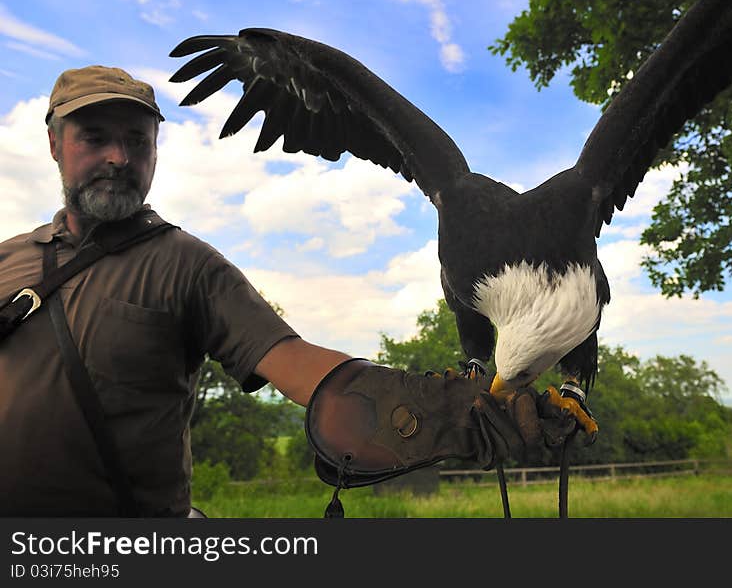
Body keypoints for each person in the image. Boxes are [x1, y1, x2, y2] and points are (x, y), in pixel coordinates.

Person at [0, 66, 574, 518]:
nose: (118, 158)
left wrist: (450, 413)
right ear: (54, 144)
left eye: (137, 141)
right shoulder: (7, 262)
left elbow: (295, 363)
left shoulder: (184, 264)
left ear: (156, 150)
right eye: (93, 138)